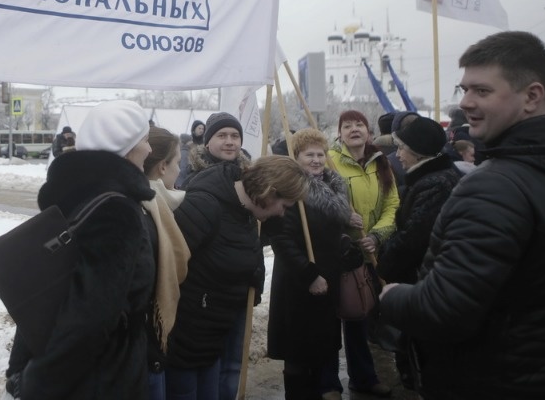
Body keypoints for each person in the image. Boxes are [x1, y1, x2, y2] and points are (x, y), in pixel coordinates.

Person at [379, 31, 545, 399]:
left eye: (482, 91)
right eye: (464, 89)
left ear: (532, 96)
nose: (465, 102)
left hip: (504, 380)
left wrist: (393, 297)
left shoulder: (496, 187)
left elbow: (444, 310)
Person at [3, 100, 156, 399]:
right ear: (126, 146)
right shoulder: (116, 212)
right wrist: (37, 383)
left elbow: (51, 294)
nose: (150, 150)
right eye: (145, 140)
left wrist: (21, 367)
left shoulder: (83, 197)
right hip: (103, 379)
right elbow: (90, 314)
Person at [166, 112, 310, 400]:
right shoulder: (205, 204)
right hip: (186, 338)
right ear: (268, 192)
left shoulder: (246, 209)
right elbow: (170, 267)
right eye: (284, 205)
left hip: (213, 336)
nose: (283, 213)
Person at [265, 128, 361, 400]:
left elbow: (328, 233)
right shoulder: (289, 188)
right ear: (296, 157)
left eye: (321, 154)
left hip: (327, 280)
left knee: (321, 349)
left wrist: (346, 247)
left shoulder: (333, 186)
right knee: (298, 353)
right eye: (309, 155)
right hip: (298, 282)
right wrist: (309, 275)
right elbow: (282, 240)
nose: (317, 160)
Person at [376, 116, 461, 391]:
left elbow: (414, 238)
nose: (398, 155)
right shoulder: (431, 178)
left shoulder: (435, 184)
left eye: (402, 148)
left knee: (428, 365)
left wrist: (384, 259)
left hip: (425, 281)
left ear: (419, 151)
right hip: (423, 279)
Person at [324, 110, 397, 399]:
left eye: (359, 124)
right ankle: (329, 383)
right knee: (331, 320)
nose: (354, 129)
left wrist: (377, 236)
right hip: (337, 252)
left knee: (359, 315)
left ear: (368, 131)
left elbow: (392, 204)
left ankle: (364, 377)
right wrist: (344, 217)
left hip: (368, 253)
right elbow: (318, 201)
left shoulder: (381, 162)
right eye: (347, 125)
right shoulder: (328, 161)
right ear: (339, 133)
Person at [142, 126, 190, 399]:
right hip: (145, 346)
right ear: (162, 167)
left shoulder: (161, 205)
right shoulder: (148, 206)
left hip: (150, 346)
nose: (179, 171)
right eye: (178, 163)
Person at [174, 120, 205, 188]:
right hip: (186, 170)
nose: (201, 130)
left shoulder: (205, 143)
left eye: (203, 129)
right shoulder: (187, 142)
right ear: (194, 129)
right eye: (199, 128)